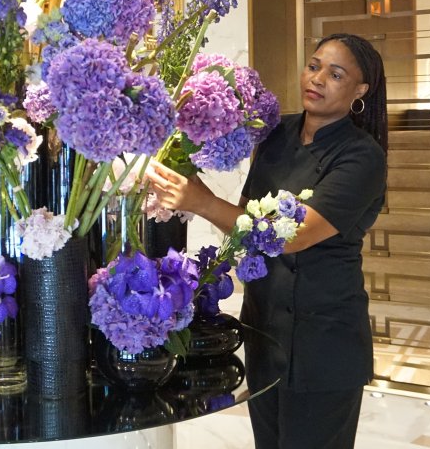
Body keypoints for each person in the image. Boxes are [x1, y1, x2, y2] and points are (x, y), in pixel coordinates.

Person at [147, 33, 388, 449]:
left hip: (323, 343)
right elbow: (242, 222)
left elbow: (289, 238)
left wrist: (201, 202)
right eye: (314, 66)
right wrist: (187, 177)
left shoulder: (361, 156)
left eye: (335, 74)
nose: (317, 79)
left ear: (360, 90)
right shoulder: (277, 134)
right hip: (266, 330)